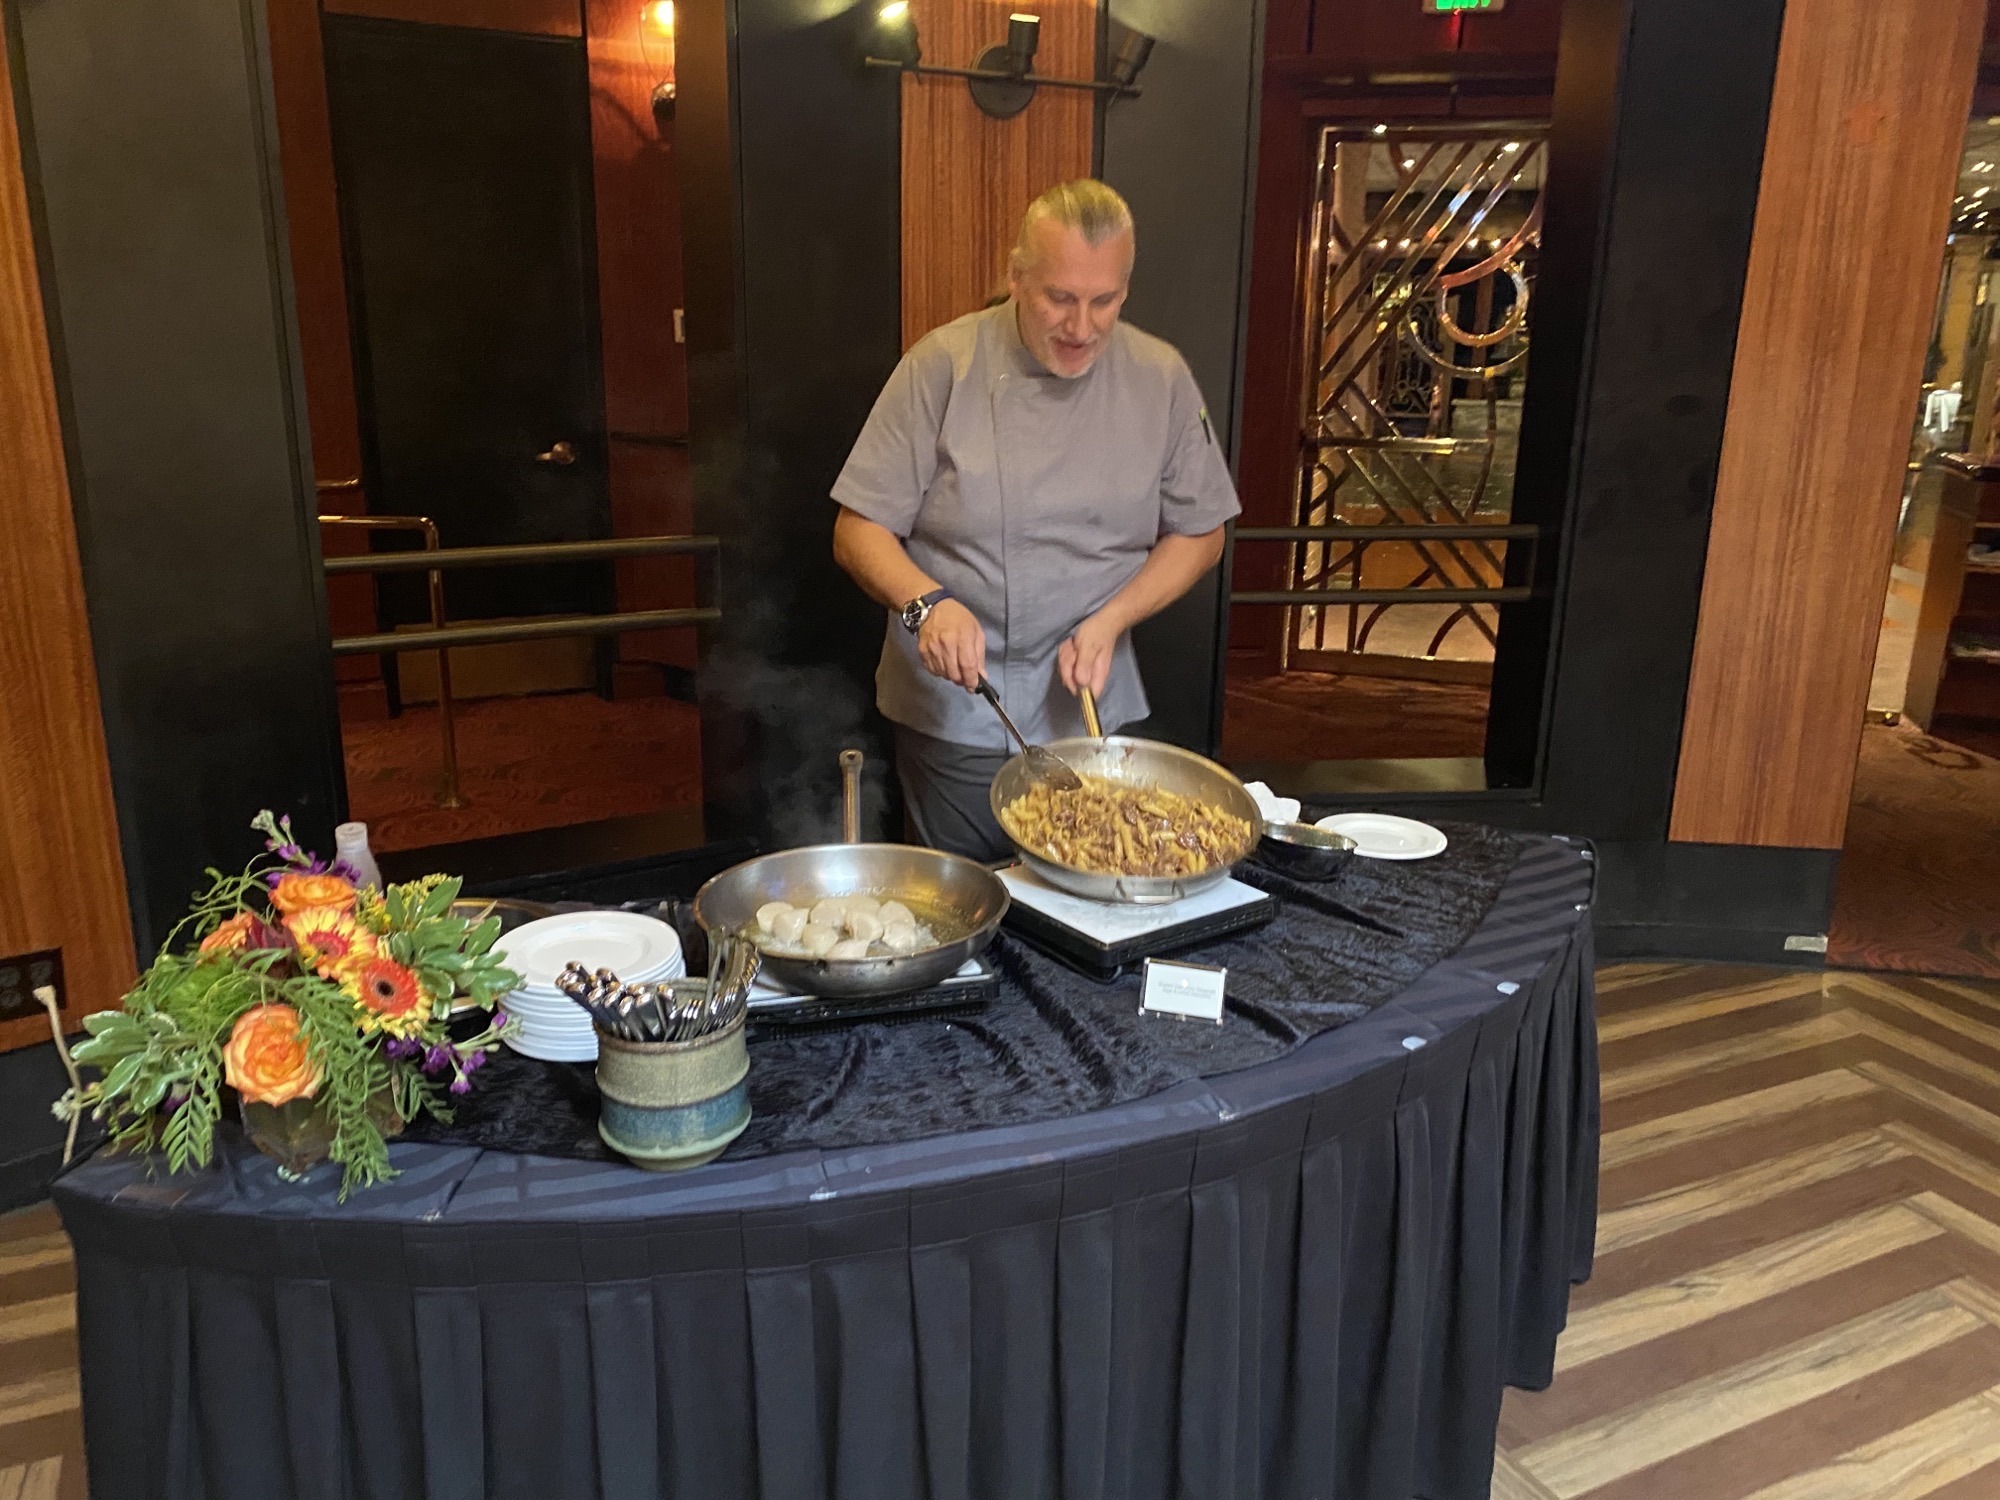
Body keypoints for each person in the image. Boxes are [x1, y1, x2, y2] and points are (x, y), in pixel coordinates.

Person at [831, 179, 1239, 859]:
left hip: (1090, 709)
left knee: (1092, 892)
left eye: (1103, 301)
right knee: (970, 907)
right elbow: (857, 529)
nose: (1081, 327)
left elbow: (1202, 531)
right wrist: (924, 605)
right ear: (1017, 278)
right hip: (958, 705)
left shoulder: (1159, 376)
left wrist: (1112, 620)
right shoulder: (943, 365)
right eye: (1060, 298)